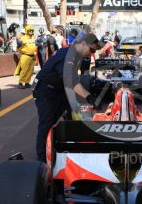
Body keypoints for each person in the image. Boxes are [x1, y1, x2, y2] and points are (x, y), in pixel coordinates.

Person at [33, 33, 103, 162]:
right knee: (46, 124)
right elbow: (72, 82)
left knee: (73, 117)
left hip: (59, 90)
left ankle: (72, 150)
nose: (91, 54)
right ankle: (42, 161)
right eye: (92, 50)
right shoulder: (67, 56)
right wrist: (89, 97)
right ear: (83, 44)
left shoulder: (74, 55)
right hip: (46, 91)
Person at [14, 25, 36, 89]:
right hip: (25, 56)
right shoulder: (23, 38)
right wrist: (22, 52)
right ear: (27, 31)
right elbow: (18, 47)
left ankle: (27, 82)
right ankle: (20, 83)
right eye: (30, 30)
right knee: (24, 70)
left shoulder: (33, 37)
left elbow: (34, 46)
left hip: (32, 56)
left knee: (31, 70)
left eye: (32, 30)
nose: (31, 31)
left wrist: (34, 55)